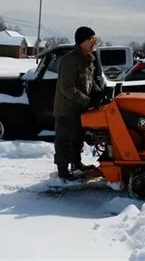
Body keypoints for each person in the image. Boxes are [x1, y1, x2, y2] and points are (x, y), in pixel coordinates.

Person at [53, 26, 100, 181]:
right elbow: (67, 88)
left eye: (95, 39)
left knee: (77, 139)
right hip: (67, 109)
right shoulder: (70, 60)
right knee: (64, 141)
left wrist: (98, 93)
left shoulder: (88, 59)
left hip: (80, 109)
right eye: (91, 40)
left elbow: (89, 82)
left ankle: (76, 163)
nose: (94, 43)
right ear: (81, 42)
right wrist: (86, 100)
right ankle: (63, 172)